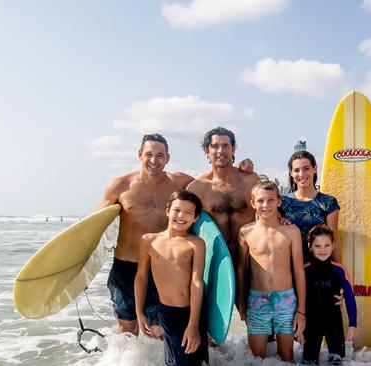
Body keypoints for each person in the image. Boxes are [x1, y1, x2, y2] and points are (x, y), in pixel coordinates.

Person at [96, 133, 194, 337]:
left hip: (161, 265)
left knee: (159, 331)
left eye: (160, 155)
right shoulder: (121, 185)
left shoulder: (179, 182)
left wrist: (241, 168)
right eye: (149, 154)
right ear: (140, 154)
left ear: (167, 158)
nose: (154, 160)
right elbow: (94, 224)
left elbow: (211, 184)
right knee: (127, 331)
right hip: (125, 266)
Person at [187, 127, 260, 305]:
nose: (220, 151)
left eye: (226, 145)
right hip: (215, 264)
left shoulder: (250, 180)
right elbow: (185, 229)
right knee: (211, 326)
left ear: (233, 149)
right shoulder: (197, 188)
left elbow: (268, 210)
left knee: (257, 322)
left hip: (250, 260)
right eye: (215, 146)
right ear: (207, 151)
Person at [135, 190, 208, 365]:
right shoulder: (148, 240)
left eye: (189, 213)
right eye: (177, 210)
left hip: (191, 311)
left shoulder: (196, 243)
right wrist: (139, 313)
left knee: (193, 360)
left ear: (195, 218)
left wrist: (193, 324)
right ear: (167, 210)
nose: (181, 216)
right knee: (177, 361)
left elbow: (196, 282)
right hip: (167, 312)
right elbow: (141, 277)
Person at [236, 180, 306, 362]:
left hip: (286, 300)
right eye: (260, 201)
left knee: (287, 358)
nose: (265, 205)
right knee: (256, 359)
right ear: (253, 203)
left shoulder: (291, 231)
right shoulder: (245, 232)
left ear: (279, 201)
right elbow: (242, 270)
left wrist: (301, 310)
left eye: (270, 200)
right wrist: (242, 304)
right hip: (257, 300)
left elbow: (299, 271)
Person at [303, 225, 357, 365]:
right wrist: (298, 329)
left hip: (334, 323)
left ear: (333, 245)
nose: (323, 250)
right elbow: (296, 298)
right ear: (310, 246)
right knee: (309, 362)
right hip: (311, 325)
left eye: (327, 245)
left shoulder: (339, 269)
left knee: (337, 362)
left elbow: (350, 298)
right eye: (318, 246)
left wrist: (352, 324)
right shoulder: (304, 271)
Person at [280, 151, 340, 262]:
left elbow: (333, 239)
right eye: (296, 170)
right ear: (291, 173)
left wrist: (340, 271)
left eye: (306, 168)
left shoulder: (328, 202)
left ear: (315, 169)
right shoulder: (282, 202)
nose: (301, 174)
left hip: (318, 268)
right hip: (288, 268)